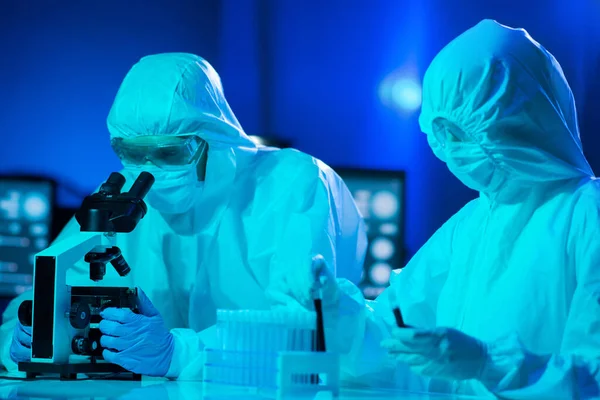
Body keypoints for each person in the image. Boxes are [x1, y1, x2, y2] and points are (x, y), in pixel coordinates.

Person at [0, 53, 367, 379]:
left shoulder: (291, 184)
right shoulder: (119, 198)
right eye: (131, 151)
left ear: (213, 141)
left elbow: (310, 331)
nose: (148, 171)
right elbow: (30, 306)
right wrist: (25, 339)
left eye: (169, 153)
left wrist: (178, 354)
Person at [290, 20, 600, 398]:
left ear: (518, 120)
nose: (449, 149)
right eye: (442, 134)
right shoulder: (470, 226)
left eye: (461, 133)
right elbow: (396, 339)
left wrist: (490, 362)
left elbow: (592, 374)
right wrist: (335, 310)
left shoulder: (587, 215)